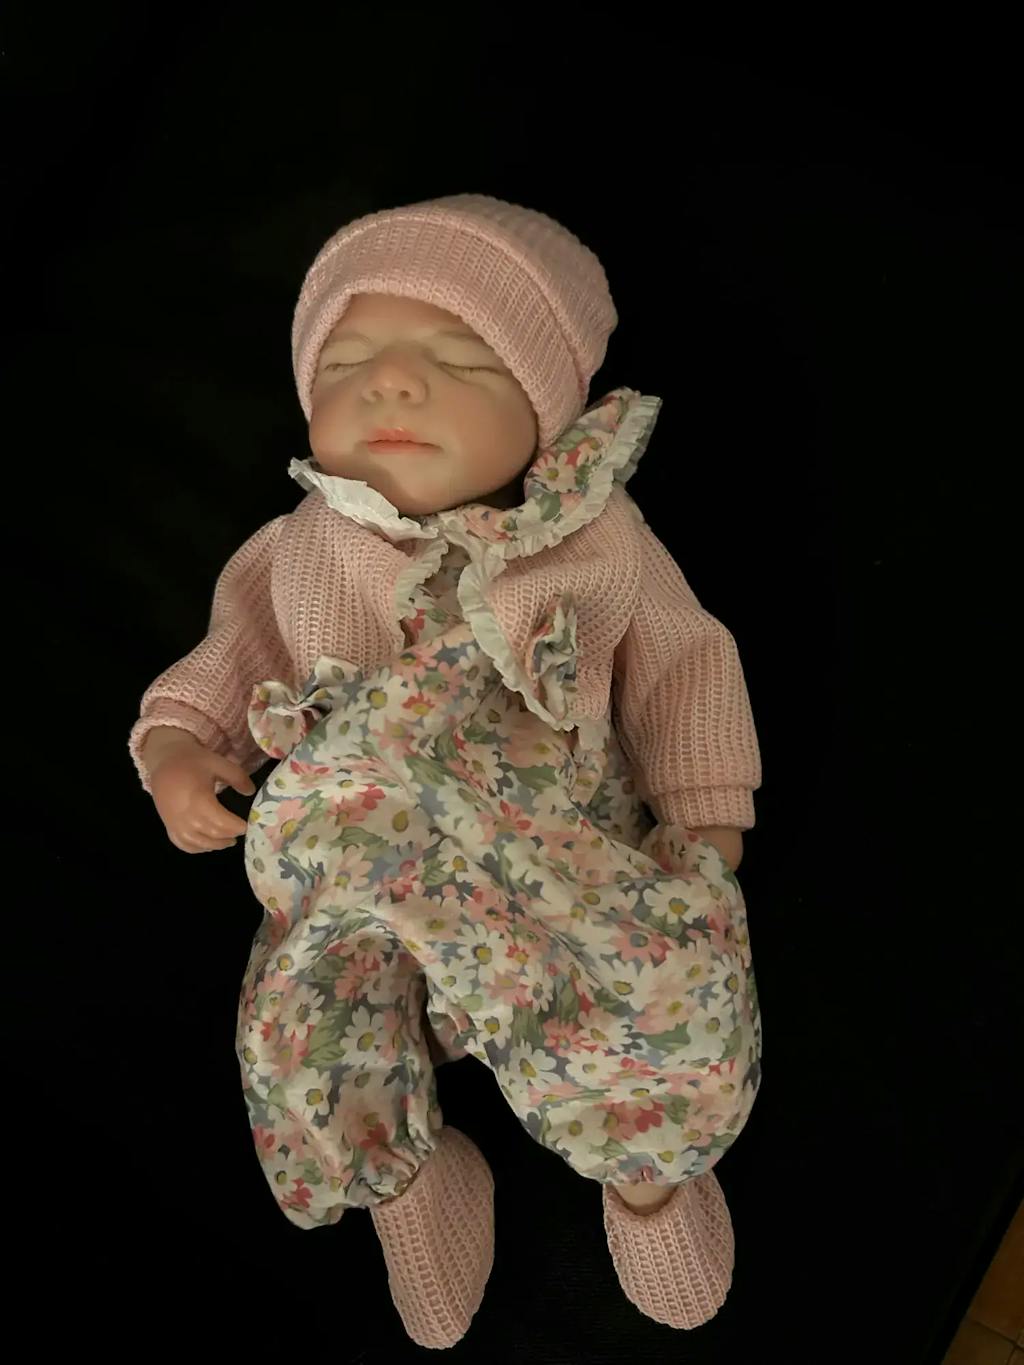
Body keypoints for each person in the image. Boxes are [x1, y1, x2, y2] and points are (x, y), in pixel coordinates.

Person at [129, 193, 763, 1349]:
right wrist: (176, 749)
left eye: (458, 359)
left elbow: (683, 668)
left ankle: (648, 1170)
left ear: (545, 410)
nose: (390, 384)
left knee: (662, 987)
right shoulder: (301, 547)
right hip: (359, 879)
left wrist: (704, 818)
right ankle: (409, 1182)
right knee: (298, 1032)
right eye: (348, 364)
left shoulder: (595, 539)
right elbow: (225, 662)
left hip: (557, 868)